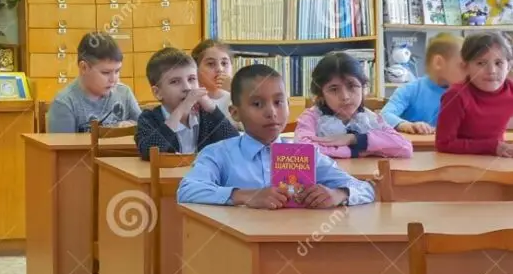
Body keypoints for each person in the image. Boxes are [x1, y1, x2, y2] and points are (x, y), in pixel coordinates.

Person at [176, 64, 376, 209]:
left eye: (279, 102)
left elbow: (365, 189)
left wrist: (339, 194)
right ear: (235, 112)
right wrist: (244, 196)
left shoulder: (304, 154)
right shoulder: (218, 153)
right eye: (257, 104)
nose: (271, 112)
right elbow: (187, 190)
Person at [293, 52, 413, 159]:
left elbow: (405, 148)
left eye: (352, 86)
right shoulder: (311, 117)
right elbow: (303, 152)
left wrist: (354, 139)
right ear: (321, 95)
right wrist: (356, 152)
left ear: (363, 88)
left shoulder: (371, 118)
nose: (345, 97)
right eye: (334, 89)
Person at [135, 47, 238, 155]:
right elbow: (149, 152)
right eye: (175, 82)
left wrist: (212, 109)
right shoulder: (148, 119)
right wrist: (181, 110)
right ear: (157, 93)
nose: (187, 87)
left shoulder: (206, 116)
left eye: (191, 79)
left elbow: (233, 143)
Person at [436, 32, 513, 156]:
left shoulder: (511, 90)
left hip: (495, 162)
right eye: (481, 63)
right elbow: (444, 143)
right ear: (465, 66)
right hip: (459, 164)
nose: (492, 71)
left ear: (508, 66)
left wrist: (496, 148)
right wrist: (492, 147)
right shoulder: (456, 96)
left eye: (498, 63)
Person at [47, 32, 140, 133]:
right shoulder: (65, 103)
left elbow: (147, 129)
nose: (114, 79)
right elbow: (62, 147)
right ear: (84, 68)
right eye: (105, 72)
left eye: (117, 71)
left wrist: (133, 125)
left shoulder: (124, 93)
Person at [382, 34, 464, 134]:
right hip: (419, 148)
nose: (469, 71)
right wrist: (406, 125)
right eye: (462, 65)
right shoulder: (411, 89)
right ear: (438, 62)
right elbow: (384, 115)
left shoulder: (466, 93)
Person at [191, 38, 236, 124]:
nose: (220, 69)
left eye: (224, 63)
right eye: (211, 64)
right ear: (196, 69)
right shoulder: (190, 99)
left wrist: (235, 90)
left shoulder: (237, 98)